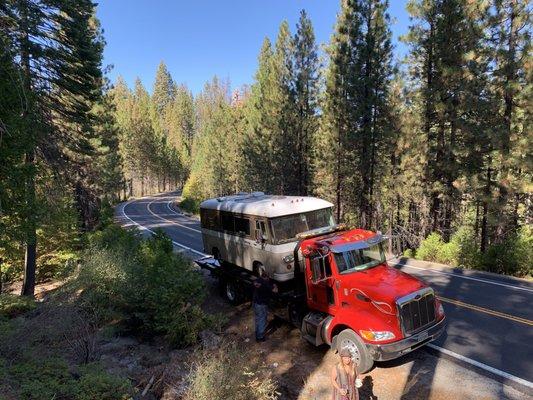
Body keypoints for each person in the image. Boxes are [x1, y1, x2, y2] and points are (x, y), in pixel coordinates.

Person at [252, 266, 278, 342]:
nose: (269, 279)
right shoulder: (266, 284)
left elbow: (254, 283)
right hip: (262, 305)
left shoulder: (258, 280)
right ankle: (260, 337)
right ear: (266, 277)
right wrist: (275, 286)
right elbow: (275, 291)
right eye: (268, 277)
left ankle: (257, 335)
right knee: (262, 320)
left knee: (257, 319)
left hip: (256, 304)